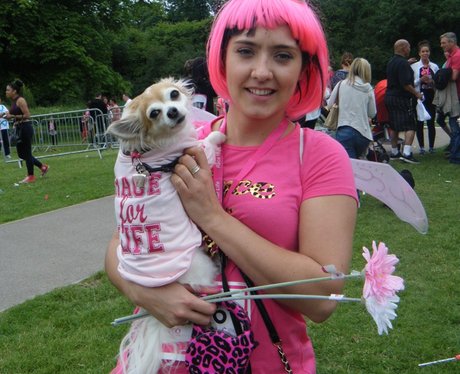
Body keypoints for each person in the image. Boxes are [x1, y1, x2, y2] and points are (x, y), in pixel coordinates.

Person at [105, 0, 358, 373]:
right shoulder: (179, 141)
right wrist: (143, 292)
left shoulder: (319, 156)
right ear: (222, 60)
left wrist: (212, 217)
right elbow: (120, 243)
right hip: (159, 361)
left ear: (303, 71)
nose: (261, 71)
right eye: (245, 51)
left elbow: (323, 297)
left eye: (283, 56)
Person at [328, 57, 376, 159]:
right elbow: (372, 113)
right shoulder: (368, 88)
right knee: (358, 164)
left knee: (349, 166)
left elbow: (329, 104)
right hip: (363, 133)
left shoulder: (341, 84)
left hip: (344, 128)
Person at [385, 39, 423, 164]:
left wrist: (407, 63)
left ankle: (395, 152)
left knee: (394, 125)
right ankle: (407, 153)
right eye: (408, 47)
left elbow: (396, 74)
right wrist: (417, 94)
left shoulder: (392, 62)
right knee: (410, 125)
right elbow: (406, 84)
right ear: (403, 48)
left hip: (390, 96)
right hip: (401, 98)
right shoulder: (403, 64)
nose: (409, 49)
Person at [5, 79, 48, 183]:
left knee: (27, 153)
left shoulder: (20, 100)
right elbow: (11, 114)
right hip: (19, 129)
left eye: (8, 90)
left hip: (25, 128)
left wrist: (13, 116)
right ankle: (42, 166)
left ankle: (31, 176)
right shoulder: (14, 101)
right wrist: (5, 116)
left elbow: (28, 115)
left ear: (14, 91)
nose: (6, 92)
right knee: (21, 154)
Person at [411, 41, 439, 154]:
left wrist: (432, 82)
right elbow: (410, 83)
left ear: (429, 53)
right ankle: (421, 147)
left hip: (431, 95)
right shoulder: (414, 67)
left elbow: (438, 82)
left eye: (427, 51)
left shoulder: (434, 66)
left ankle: (431, 147)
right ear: (419, 53)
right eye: (423, 51)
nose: (425, 53)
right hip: (419, 96)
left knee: (431, 121)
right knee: (420, 122)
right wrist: (420, 80)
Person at [439, 32, 460, 164]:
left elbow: (453, 77)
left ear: (452, 42)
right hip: (454, 95)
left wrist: (440, 75)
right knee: (452, 123)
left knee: (454, 125)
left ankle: (455, 156)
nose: (441, 45)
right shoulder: (452, 56)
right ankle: (454, 151)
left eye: (444, 43)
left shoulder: (457, 56)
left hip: (457, 96)